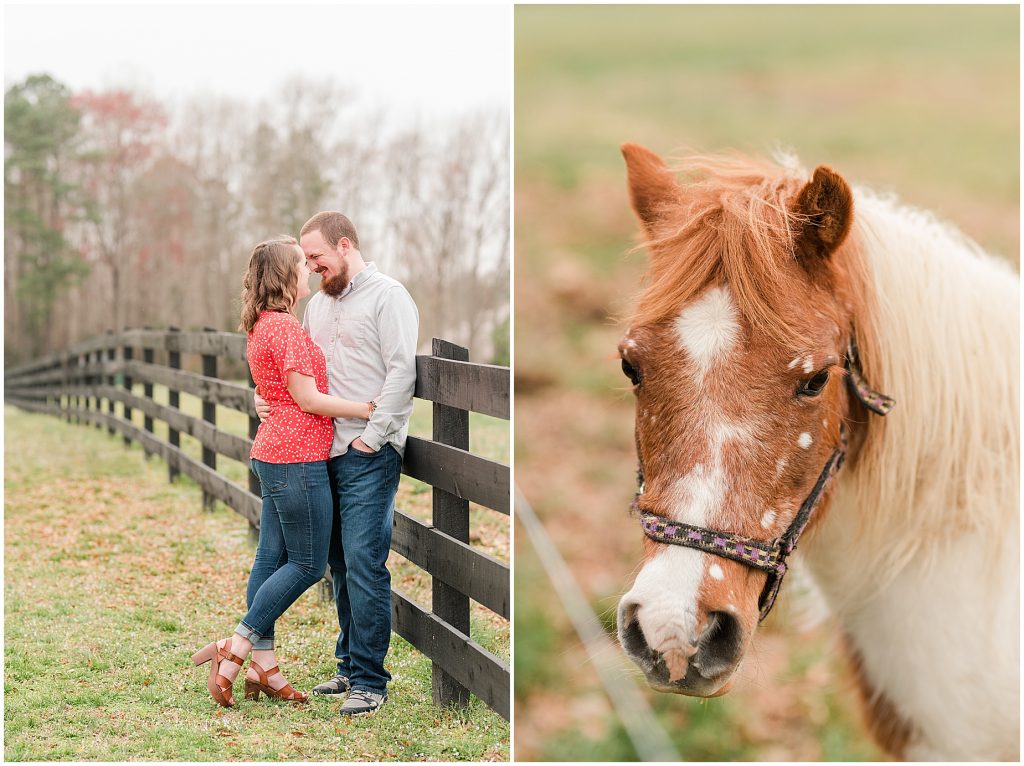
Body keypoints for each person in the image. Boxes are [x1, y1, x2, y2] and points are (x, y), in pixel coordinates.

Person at [192, 235, 377, 708]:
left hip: (272, 453)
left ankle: (265, 669)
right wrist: (367, 408)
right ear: (284, 275)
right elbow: (309, 399)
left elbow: (274, 389)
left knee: (269, 557)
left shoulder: (263, 325)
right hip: (296, 459)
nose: (308, 271)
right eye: (301, 264)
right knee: (308, 564)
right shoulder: (286, 329)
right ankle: (238, 645)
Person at [255, 212, 418, 715]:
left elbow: (401, 372)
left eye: (317, 258)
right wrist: (269, 403)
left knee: (366, 565)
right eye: (307, 261)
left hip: (367, 454)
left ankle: (371, 681)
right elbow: (297, 377)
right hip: (318, 451)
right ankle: (348, 667)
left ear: (344, 245)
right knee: (340, 566)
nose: (312, 267)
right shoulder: (317, 309)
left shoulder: (389, 296)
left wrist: (372, 438)